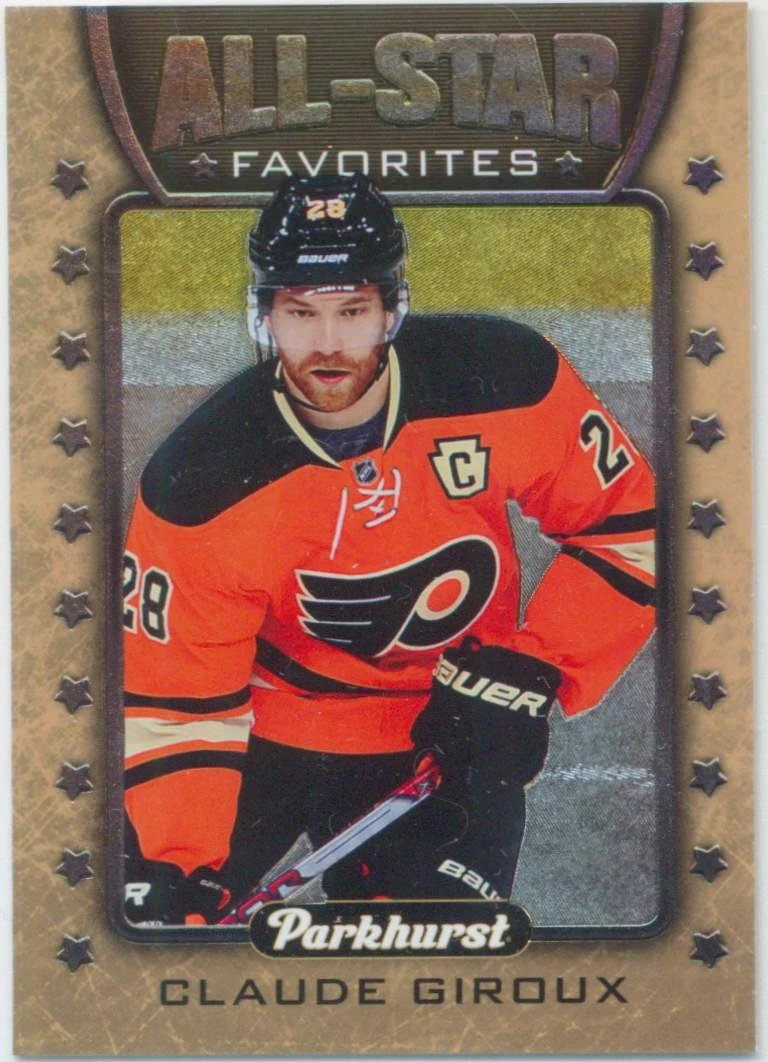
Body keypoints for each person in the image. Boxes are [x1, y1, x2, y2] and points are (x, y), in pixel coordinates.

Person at [122, 173, 655, 927]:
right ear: (263, 314)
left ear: (392, 308)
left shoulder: (506, 378)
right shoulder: (199, 481)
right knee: (155, 938)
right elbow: (177, 702)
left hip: (445, 730)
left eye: (352, 311)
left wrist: (535, 670)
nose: (328, 344)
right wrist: (175, 861)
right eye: (300, 312)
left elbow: (627, 520)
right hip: (259, 738)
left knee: (429, 973)